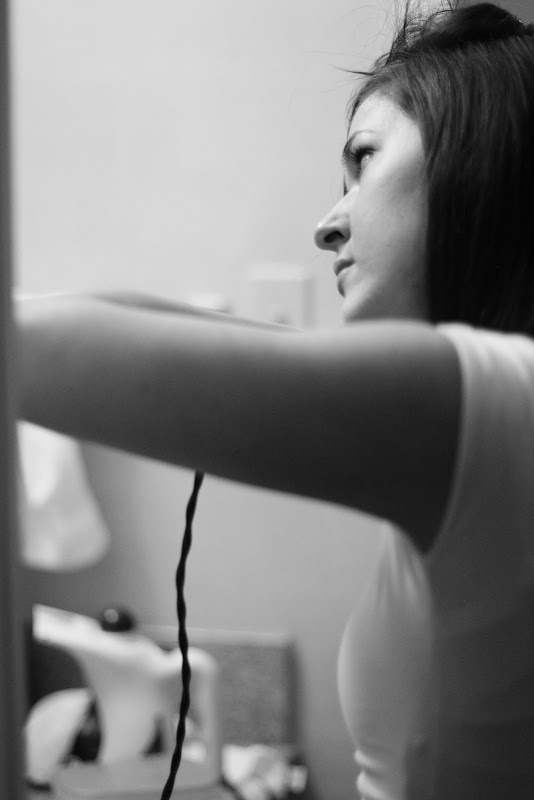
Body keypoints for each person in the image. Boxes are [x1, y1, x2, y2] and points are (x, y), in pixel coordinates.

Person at [14, 1, 534, 797]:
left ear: (483, 164)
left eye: (365, 160)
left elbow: (37, 351)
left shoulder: (496, 406)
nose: (327, 227)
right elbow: (140, 325)